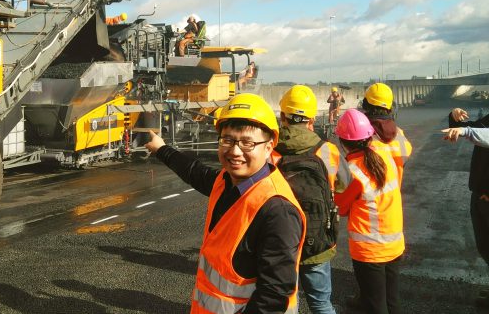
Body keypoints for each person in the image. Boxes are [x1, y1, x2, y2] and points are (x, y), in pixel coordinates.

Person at [144, 93, 306, 314]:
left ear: (269, 147)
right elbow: (194, 172)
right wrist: (162, 149)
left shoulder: (277, 210)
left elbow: (274, 295)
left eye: (247, 143)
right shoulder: (226, 182)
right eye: (228, 140)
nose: (235, 151)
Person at [272, 85, 352, 314]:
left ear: (283, 116)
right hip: (317, 240)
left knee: (286, 304)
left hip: (279, 241)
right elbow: (345, 183)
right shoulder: (327, 150)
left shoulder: (270, 150)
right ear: (311, 119)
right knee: (321, 303)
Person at [334, 109, 404, 314]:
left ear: (343, 142)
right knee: (392, 300)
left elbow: (342, 207)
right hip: (394, 244)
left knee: (375, 305)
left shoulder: (352, 171)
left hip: (370, 251)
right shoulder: (384, 152)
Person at [446, 107, 489, 307]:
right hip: (480, 195)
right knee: (484, 246)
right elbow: (470, 128)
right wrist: (454, 119)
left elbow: (483, 135)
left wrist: (466, 131)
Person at [361, 83, 412, 184]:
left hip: (367, 198)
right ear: (390, 106)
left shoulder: (362, 136)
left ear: (365, 104)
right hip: (393, 197)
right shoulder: (400, 134)